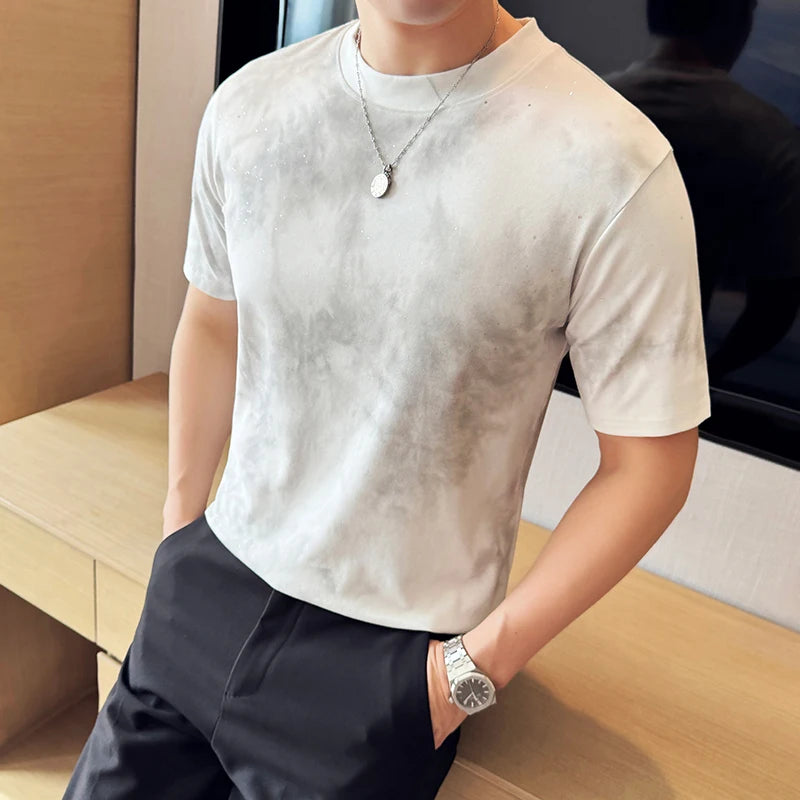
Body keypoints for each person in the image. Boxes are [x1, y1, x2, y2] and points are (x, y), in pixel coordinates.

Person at [63, 0, 711, 797]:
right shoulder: (249, 104)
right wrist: (178, 531)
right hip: (206, 588)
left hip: (388, 659)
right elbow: (214, 321)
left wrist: (466, 677)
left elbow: (650, 465)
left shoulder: (614, 162)